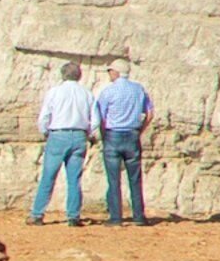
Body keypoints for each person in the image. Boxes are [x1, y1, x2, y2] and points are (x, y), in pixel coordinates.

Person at [30, 61, 100, 226]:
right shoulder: (87, 93)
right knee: (74, 179)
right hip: (79, 135)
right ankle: (73, 216)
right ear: (79, 75)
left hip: (58, 134)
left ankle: (37, 214)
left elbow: (44, 116)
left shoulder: (55, 92)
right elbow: (95, 120)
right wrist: (89, 134)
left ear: (63, 75)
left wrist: (46, 132)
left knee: (48, 176)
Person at [92, 59, 156, 226]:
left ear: (116, 72)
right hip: (132, 135)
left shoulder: (108, 92)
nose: (109, 74)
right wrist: (139, 131)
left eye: (110, 70)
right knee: (135, 178)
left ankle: (115, 217)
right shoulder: (139, 90)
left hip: (113, 135)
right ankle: (139, 216)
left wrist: (104, 135)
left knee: (113, 179)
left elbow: (101, 117)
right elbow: (149, 114)